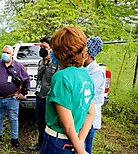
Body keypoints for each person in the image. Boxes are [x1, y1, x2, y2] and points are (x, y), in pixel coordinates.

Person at [38, 26, 96, 154]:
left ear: (59, 52)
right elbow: (91, 113)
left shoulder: (61, 77)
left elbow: (67, 125)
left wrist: (81, 151)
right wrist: (80, 142)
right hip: (78, 140)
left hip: (57, 144)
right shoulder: (85, 74)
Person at [0, 45, 30, 147]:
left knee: (13, 118)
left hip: (12, 98)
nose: (5, 54)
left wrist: (23, 93)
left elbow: (27, 79)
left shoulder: (18, 66)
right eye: (4, 52)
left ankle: (14, 139)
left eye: (7, 53)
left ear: (12, 54)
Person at [29, 36, 59, 151]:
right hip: (39, 97)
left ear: (51, 48)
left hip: (49, 100)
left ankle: (48, 147)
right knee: (40, 123)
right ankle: (40, 144)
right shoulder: (40, 61)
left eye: (44, 47)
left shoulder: (56, 64)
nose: (42, 49)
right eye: (41, 46)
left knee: (49, 125)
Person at [84, 37, 106, 154]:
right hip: (83, 115)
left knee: (86, 149)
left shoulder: (96, 72)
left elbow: (86, 93)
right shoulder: (85, 68)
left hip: (90, 119)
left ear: (88, 54)